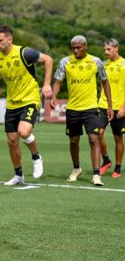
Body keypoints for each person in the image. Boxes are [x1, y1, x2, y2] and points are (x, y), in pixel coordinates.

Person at [0, 25, 53, 185]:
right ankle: (18, 175)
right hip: (12, 103)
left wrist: (46, 85)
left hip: (30, 99)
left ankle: (36, 157)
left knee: (23, 131)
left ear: (9, 39)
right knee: (12, 141)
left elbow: (48, 60)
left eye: (0, 40)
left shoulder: (24, 52)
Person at [51, 35, 113, 186]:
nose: (76, 50)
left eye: (79, 47)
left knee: (94, 139)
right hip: (72, 109)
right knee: (73, 141)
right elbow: (58, 81)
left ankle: (96, 174)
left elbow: (105, 83)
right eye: (73, 48)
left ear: (86, 46)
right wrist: (54, 96)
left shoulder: (96, 61)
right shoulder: (65, 62)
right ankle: (76, 168)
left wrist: (110, 105)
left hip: (91, 108)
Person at [98, 38, 125, 178]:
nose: (106, 52)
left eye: (109, 49)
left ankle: (118, 167)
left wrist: (123, 108)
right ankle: (106, 160)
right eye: (105, 49)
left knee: (118, 138)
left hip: (119, 107)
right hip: (103, 105)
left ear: (116, 48)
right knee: (98, 133)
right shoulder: (103, 65)